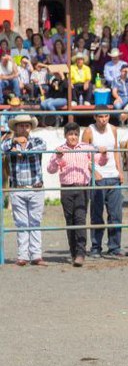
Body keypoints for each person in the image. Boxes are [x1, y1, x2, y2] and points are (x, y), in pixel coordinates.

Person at [47, 122, 104, 267]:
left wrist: (104, 153)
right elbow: (50, 169)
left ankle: (80, 253)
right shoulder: (60, 149)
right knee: (70, 221)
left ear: (78, 135)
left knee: (80, 219)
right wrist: (58, 158)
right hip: (66, 189)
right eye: (70, 134)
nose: (73, 137)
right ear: (65, 135)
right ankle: (73, 252)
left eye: (75, 134)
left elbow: (100, 162)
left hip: (82, 188)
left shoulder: (86, 148)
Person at [1, 114, 47, 266]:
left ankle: (36, 255)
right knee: (21, 223)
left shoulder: (38, 141)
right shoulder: (8, 143)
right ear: (16, 128)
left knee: (35, 222)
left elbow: (42, 147)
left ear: (30, 128)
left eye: (26, 125)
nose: (24, 128)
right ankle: (23, 256)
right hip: (18, 188)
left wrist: (21, 149)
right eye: (20, 126)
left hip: (35, 188)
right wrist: (14, 142)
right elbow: (2, 148)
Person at [82, 111, 124, 258]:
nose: (103, 119)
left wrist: (120, 170)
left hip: (113, 175)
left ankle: (114, 247)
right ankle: (96, 247)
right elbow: (83, 153)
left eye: (106, 116)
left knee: (116, 214)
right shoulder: (89, 131)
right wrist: (93, 171)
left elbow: (116, 151)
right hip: (98, 177)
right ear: (95, 117)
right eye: (100, 116)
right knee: (96, 214)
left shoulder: (113, 129)